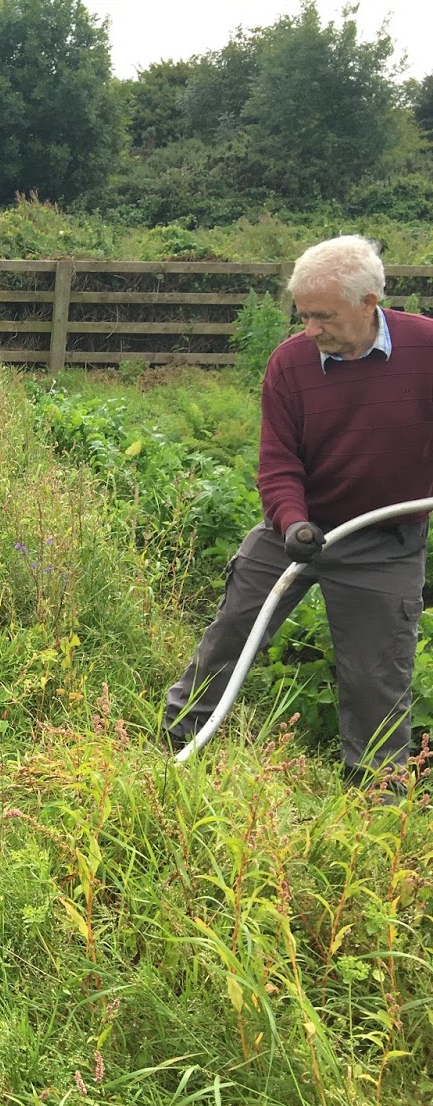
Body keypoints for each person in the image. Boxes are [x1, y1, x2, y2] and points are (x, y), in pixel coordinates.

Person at [162, 235, 433, 785]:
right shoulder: (290, 363)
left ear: (369, 301)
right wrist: (292, 522)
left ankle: (377, 799)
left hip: (386, 542)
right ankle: (176, 738)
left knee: (376, 675)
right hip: (296, 528)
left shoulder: (427, 350)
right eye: (303, 315)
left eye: (323, 316)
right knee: (235, 629)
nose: (310, 329)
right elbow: (277, 462)